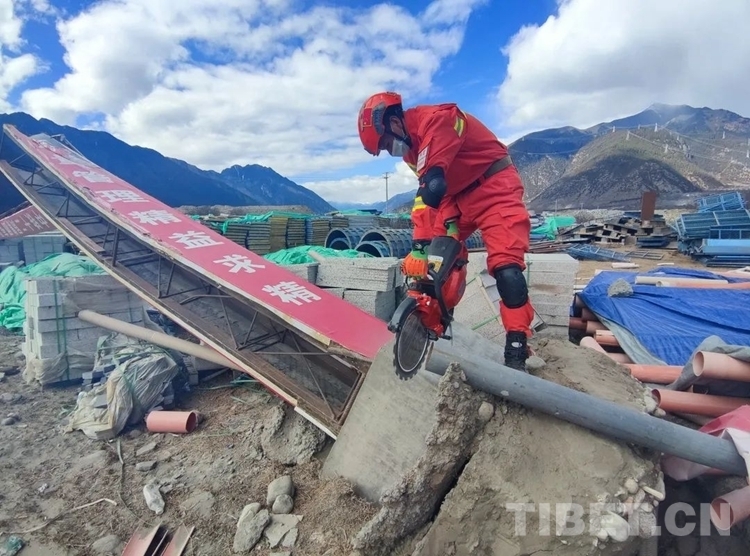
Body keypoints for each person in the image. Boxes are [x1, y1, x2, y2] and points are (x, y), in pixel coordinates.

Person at [356, 91, 535, 371]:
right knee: (437, 261)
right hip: (455, 199)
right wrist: (424, 247)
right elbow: (431, 195)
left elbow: (433, 186)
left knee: (506, 269)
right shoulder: (410, 151)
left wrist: (418, 246)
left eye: (387, 144)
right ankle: (431, 322)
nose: (391, 151)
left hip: (494, 186)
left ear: (394, 122)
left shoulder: (438, 120)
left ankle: (517, 347)